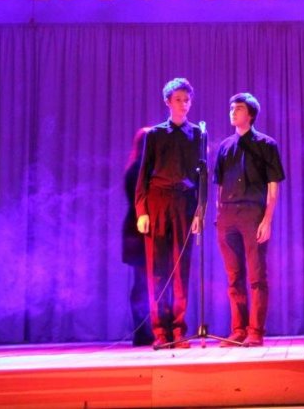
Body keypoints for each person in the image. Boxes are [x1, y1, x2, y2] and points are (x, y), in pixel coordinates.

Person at [213, 92, 285, 347]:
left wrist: (267, 220)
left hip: (253, 213)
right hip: (227, 215)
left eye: (239, 108)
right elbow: (219, 185)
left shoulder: (266, 144)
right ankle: (238, 330)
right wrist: (219, 214)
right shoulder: (225, 146)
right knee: (234, 276)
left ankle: (256, 331)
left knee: (256, 275)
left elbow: (273, 186)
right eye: (231, 108)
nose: (233, 112)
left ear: (251, 114)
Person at [135, 78, 201, 349]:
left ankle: (179, 329)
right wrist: (142, 211)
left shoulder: (197, 134)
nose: (183, 105)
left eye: (187, 100)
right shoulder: (155, 134)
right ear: (167, 102)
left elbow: (201, 177)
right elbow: (143, 174)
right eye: (178, 100)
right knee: (157, 270)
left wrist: (199, 212)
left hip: (184, 204)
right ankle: (160, 331)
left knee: (181, 270)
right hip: (158, 202)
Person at [122, 127, 154, 346]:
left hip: (134, 230)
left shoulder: (135, 167)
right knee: (143, 282)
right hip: (138, 231)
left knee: (142, 282)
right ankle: (143, 332)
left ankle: (143, 331)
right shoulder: (139, 170)